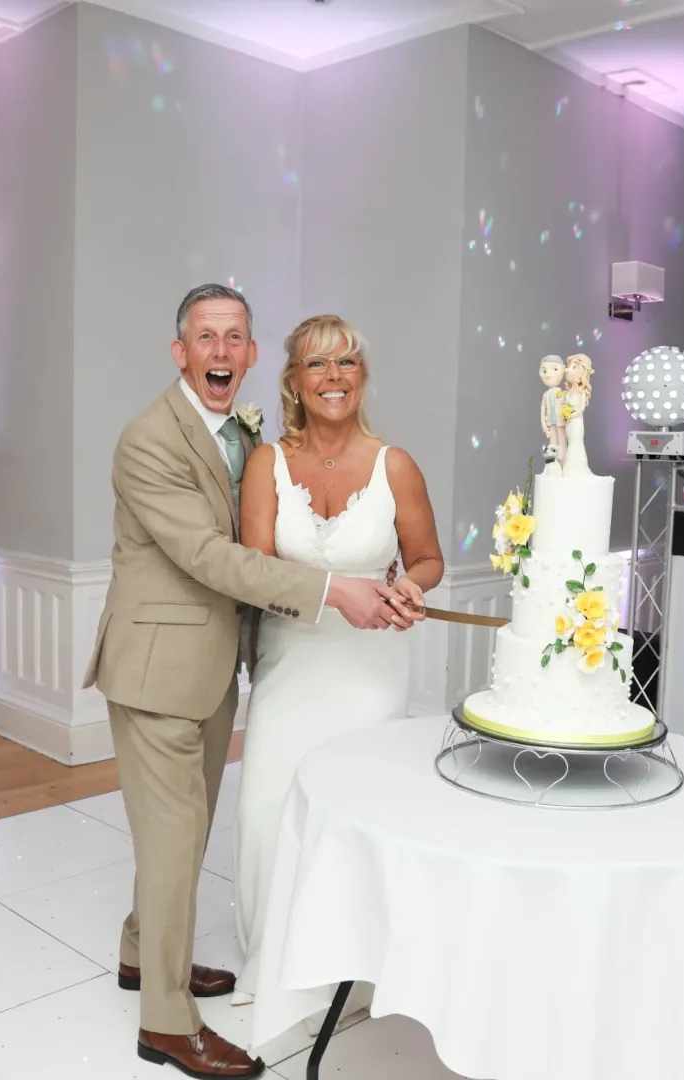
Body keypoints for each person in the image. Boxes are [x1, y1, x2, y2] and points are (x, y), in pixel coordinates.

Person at [82, 286, 415, 1078]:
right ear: (181, 352)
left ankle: (142, 951)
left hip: (211, 668)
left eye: (235, 337)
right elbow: (209, 557)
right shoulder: (147, 440)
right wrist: (333, 590)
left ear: (253, 355)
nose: (221, 351)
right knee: (173, 844)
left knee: (182, 837)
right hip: (157, 672)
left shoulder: (239, 433)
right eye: (206, 337)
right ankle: (167, 1023)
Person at [230, 314, 444, 1014]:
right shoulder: (265, 464)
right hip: (290, 663)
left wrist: (412, 586)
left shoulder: (394, 464)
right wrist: (334, 593)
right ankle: (271, 957)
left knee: (356, 808)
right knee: (266, 808)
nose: (333, 377)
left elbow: (427, 558)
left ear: (362, 377)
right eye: (317, 364)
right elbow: (258, 568)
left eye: (346, 362)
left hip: (369, 671)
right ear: (293, 380)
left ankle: (351, 956)